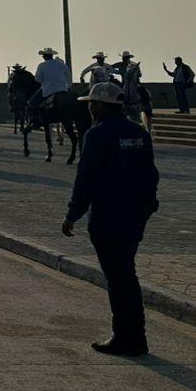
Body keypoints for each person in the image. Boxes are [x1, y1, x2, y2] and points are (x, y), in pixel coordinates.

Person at [61, 82, 160, 356]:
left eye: (92, 104)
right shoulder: (139, 132)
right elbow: (151, 174)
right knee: (127, 274)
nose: (89, 108)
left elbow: (86, 181)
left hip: (107, 217)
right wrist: (148, 205)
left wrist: (72, 214)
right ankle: (136, 336)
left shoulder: (97, 135)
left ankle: (125, 337)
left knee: (119, 279)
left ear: (102, 106)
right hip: (135, 216)